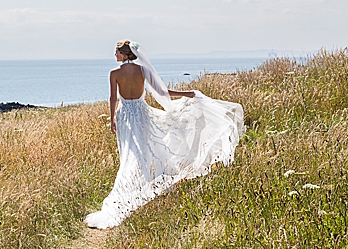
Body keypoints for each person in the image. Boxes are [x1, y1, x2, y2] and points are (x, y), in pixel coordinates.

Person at [84, 40, 244, 229]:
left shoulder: (114, 73)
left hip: (125, 116)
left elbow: (113, 98)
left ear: (125, 54)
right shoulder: (143, 71)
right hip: (141, 113)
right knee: (144, 148)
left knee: (129, 153)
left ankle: (132, 184)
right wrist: (187, 94)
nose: (115, 55)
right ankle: (143, 180)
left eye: (117, 52)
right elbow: (162, 92)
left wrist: (111, 119)